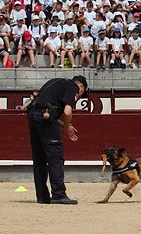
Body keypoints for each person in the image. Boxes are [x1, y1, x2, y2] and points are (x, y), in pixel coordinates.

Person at [26, 75, 88, 204]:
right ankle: (58, 194)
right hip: (45, 119)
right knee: (55, 157)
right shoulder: (73, 86)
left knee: (39, 159)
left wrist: (67, 125)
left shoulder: (55, 82)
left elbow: (49, 112)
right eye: (81, 94)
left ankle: (42, 196)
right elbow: (67, 112)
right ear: (81, 87)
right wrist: (66, 127)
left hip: (34, 116)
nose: (79, 96)